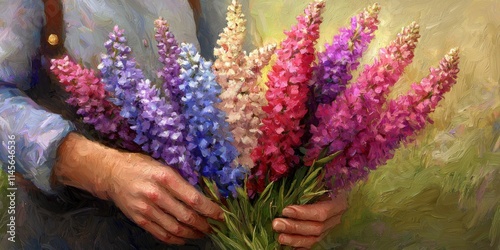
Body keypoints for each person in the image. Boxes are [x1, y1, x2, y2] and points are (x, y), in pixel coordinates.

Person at [0, 0, 347, 249]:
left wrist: (315, 185)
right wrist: (104, 170)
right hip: (71, 229)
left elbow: (240, 92)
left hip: (205, 229)